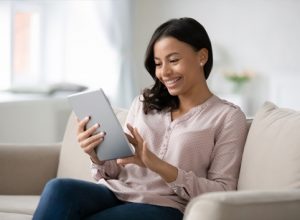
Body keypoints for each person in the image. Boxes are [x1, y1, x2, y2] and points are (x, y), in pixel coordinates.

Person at [33, 17, 248, 220]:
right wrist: (96, 155)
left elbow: (223, 191)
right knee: (58, 188)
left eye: (173, 60)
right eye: (158, 63)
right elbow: (115, 169)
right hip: (116, 193)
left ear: (202, 56)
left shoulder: (227, 117)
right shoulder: (144, 103)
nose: (164, 72)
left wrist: (158, 166)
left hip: (165, 206)